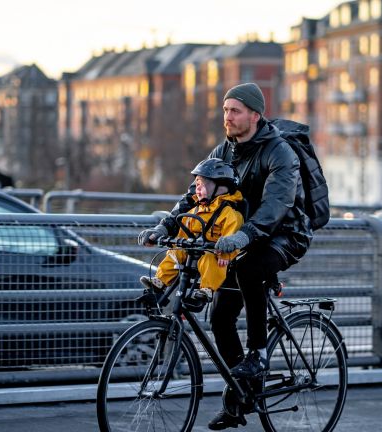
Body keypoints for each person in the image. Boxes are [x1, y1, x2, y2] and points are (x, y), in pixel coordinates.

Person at [138, 82, 313, 430]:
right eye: (225, 110)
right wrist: (166, 225)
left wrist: (244, 235)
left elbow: (277, 205)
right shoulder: (224, 150)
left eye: (235, 111)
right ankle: (240, 397)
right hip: (236, 238)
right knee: (219, 317)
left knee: (250, 268)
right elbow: (196, 194)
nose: (227, 117)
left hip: (284, 234)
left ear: (255, 115)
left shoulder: (280, 153)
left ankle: (258, 355)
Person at [139, 158, 244, 303]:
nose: (197, 189)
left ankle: (206, 290)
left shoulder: (230, 214)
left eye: (203, 185)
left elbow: (232, 237)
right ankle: (160, 280)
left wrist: (226, 254)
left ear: (221, 188)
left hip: (214, 252)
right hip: (194, 249)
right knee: (175, 253)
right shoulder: (195, 210)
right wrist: (173, 241)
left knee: (209, 259)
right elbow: (184, 230)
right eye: (197, 185)